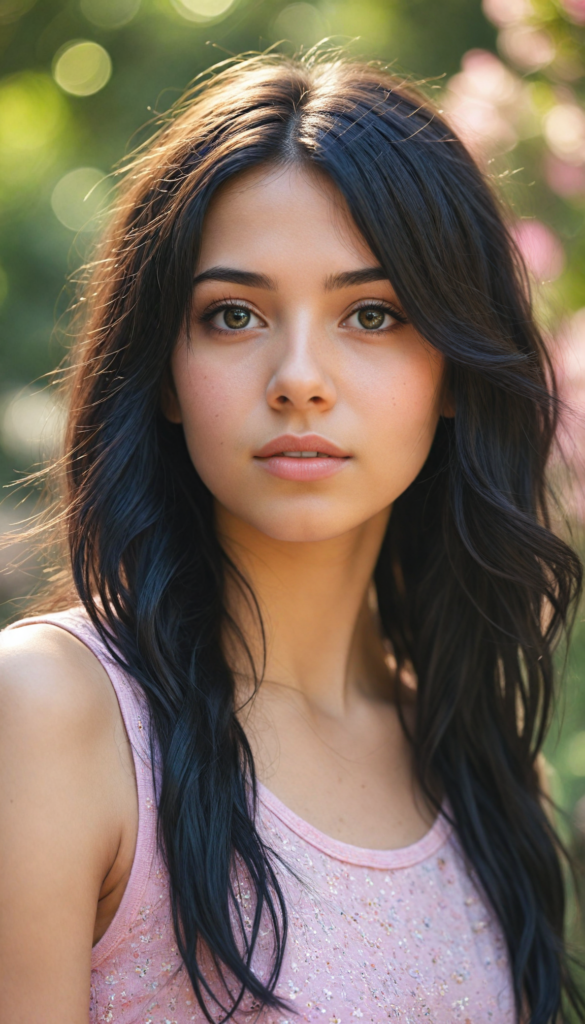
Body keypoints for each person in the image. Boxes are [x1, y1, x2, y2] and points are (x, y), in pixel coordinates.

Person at [0, 53, 581, 1024]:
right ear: (166, 372)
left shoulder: (483, 766)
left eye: (372, 313)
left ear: (454, 371)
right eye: (234, 315)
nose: (299, 376)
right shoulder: (52, 718)